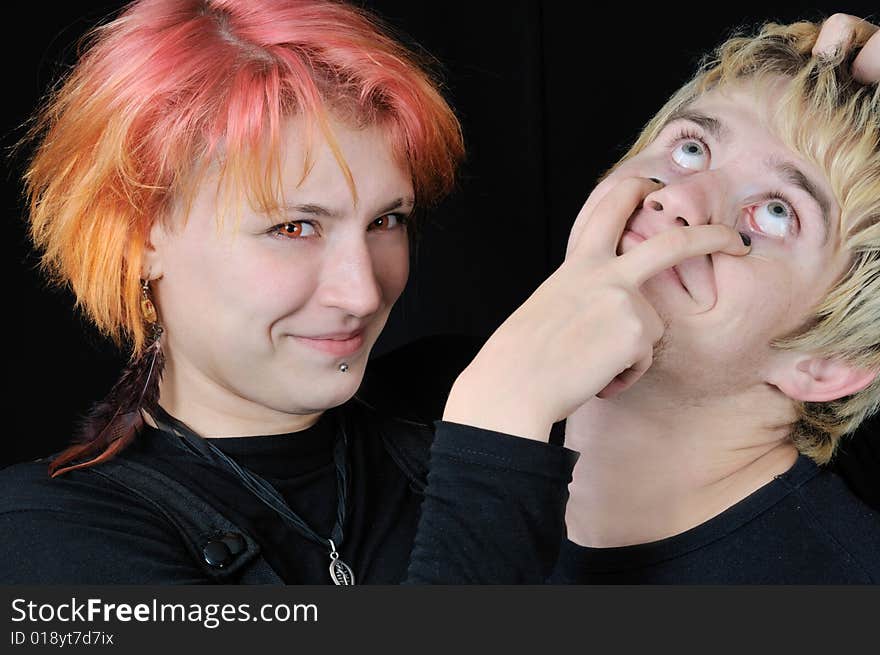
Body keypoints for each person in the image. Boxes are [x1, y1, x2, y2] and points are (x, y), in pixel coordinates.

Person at [456, 16, 880, 584]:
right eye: (690, 147)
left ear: (830, 364)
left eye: (777, 211)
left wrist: (488, 435)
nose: (678, 198)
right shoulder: (397, 457)